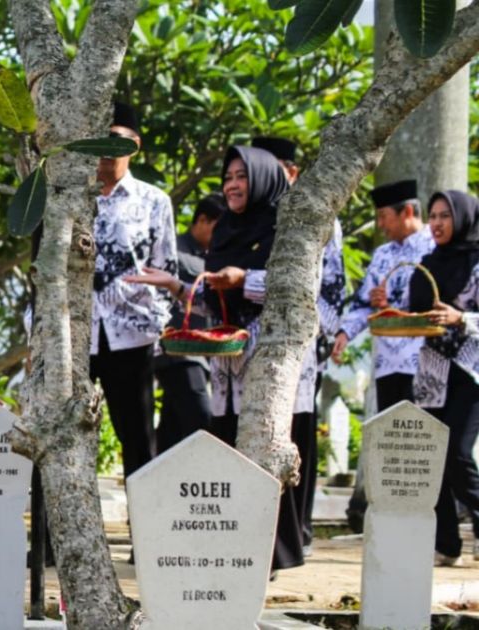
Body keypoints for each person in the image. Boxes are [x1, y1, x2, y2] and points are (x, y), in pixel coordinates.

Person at [127, 145, 323, 575]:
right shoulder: (226, 230)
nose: (232, 185)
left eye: (242, 176)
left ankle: (272, 553)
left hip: (269, 361)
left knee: (264, 453)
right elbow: (215, 305)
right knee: (231, 447)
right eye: (227, 177)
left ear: (265, 178)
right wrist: (177, 287)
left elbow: (303, 283)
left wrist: (245, 278)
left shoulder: (289, 226)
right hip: (228, 363)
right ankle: (244, 551)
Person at [251, 135, 349, 555]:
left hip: (302, 340)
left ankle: (300, 529)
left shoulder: (320, 215)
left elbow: (333, 285)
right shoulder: (253, 215)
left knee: (299, 435)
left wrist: (324, 331)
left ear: (290, 171)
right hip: (252, 340)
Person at [89, 101, 177, 478]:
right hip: (78, 334)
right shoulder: (70, 197)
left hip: (133, 336)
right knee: (64, 436)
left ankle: (145, 533)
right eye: (99, 139)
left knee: (137, 438)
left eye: (115, 139)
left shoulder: (154, 201)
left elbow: (166, 267)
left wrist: (157, 326)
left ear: (134, 145)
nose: (107, 147)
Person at [407, 190, 479, 566]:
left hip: (472, 371)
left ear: (464, 219)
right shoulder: (427, 264)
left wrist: (460, 319)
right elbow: (414, 313)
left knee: (457, 452)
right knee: (433, 456)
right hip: (433, 372)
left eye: (444, 216)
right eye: (432, 216)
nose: (435, 223)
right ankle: (447, 544)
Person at [332, 180, 435, 406]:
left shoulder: (435, 247)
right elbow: (363, 304)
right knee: (389, 432)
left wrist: (394, 306)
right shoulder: (382, 254)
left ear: (407, 212)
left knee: (421, 433)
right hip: (387, 361)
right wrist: (345, 333)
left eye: (383, 216)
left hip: (425, 359)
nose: (379, 224)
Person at [153, 193, 224, 452]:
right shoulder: (175, 252)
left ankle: (159, 482)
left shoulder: (214, 254)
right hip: (177, 353)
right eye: (219, 227)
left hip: (201, 356)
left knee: (172, 429)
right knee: (202, 419)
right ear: (202, 220)